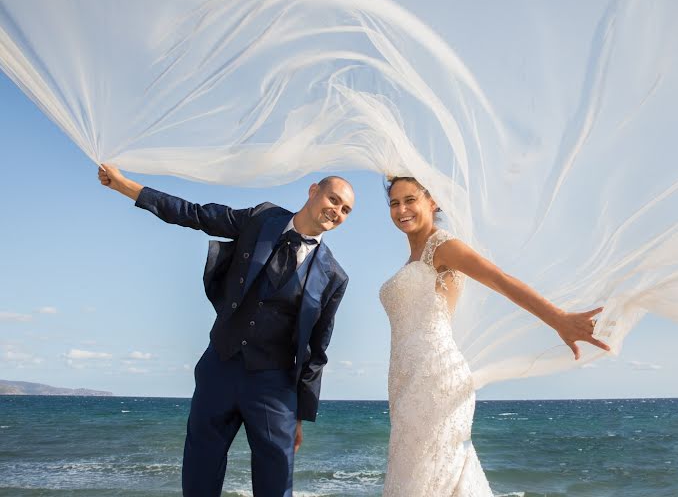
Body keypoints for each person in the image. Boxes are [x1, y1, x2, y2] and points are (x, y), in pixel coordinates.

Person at [98, 164, 354, 497]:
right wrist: (128, 188)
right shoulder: (263, 219)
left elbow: (316, 352)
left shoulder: (334, 276)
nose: (336, 211)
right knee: (199, 476)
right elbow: (197, 215)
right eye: (333, 199)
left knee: (276, 485)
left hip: (274, 386)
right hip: (220, 365)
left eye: (346, 210)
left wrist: (300, 415)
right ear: (313, 190)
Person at [380, 177, 610, 495]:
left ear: (432, 202)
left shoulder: (444, 246)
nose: (402, 209)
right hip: (405, 383)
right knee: (429, 478)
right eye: (394, 203)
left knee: (421, 482)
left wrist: (558, 319)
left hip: (436, 379)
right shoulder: (412, 258)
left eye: (410, 200)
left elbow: (500, 279)